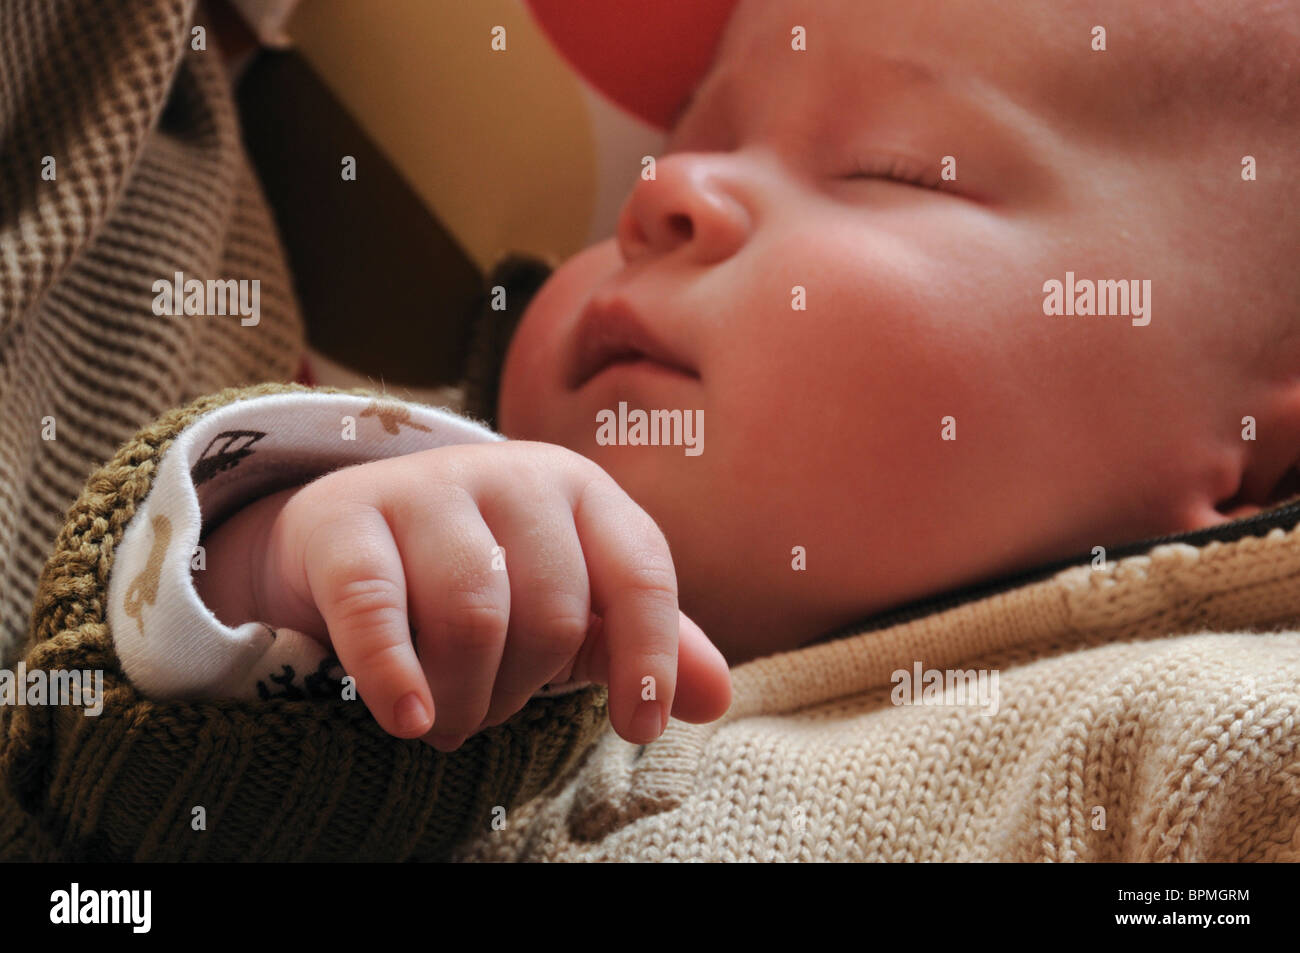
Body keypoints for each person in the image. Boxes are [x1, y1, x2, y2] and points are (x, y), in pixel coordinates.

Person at [4, 0, 1299, 861]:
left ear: (1253, 458)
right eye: (686, 136)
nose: (668, 190)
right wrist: (274, 571)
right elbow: (94, 821)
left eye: (896, 169)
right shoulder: (430, 489)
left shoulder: (1208, 738)